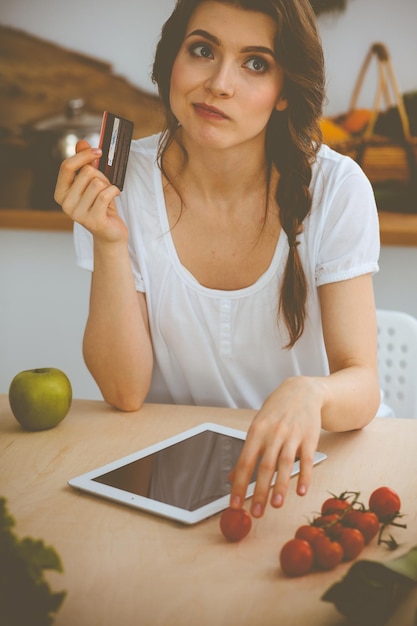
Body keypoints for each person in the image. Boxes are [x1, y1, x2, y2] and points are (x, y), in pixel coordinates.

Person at [54, 0, 382, 519]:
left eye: (256, 63)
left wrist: (311, 393)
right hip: (172, 478)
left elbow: (362, 383)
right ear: (171, 62)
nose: (219, 84)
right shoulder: (120, 184)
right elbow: (123, 392)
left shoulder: (337, 188)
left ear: (282, 93)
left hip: (311, 470)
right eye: (203, 50)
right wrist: (110, 242)